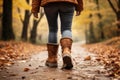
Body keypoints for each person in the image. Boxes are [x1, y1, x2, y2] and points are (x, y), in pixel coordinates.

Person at [31, 0, 83, 69]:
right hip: (68, 3)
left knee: (52, 29)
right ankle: (66, 51)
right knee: (66, 28)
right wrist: (79, 6)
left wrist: (35, 8)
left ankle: (52, 59)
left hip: (49, 3)